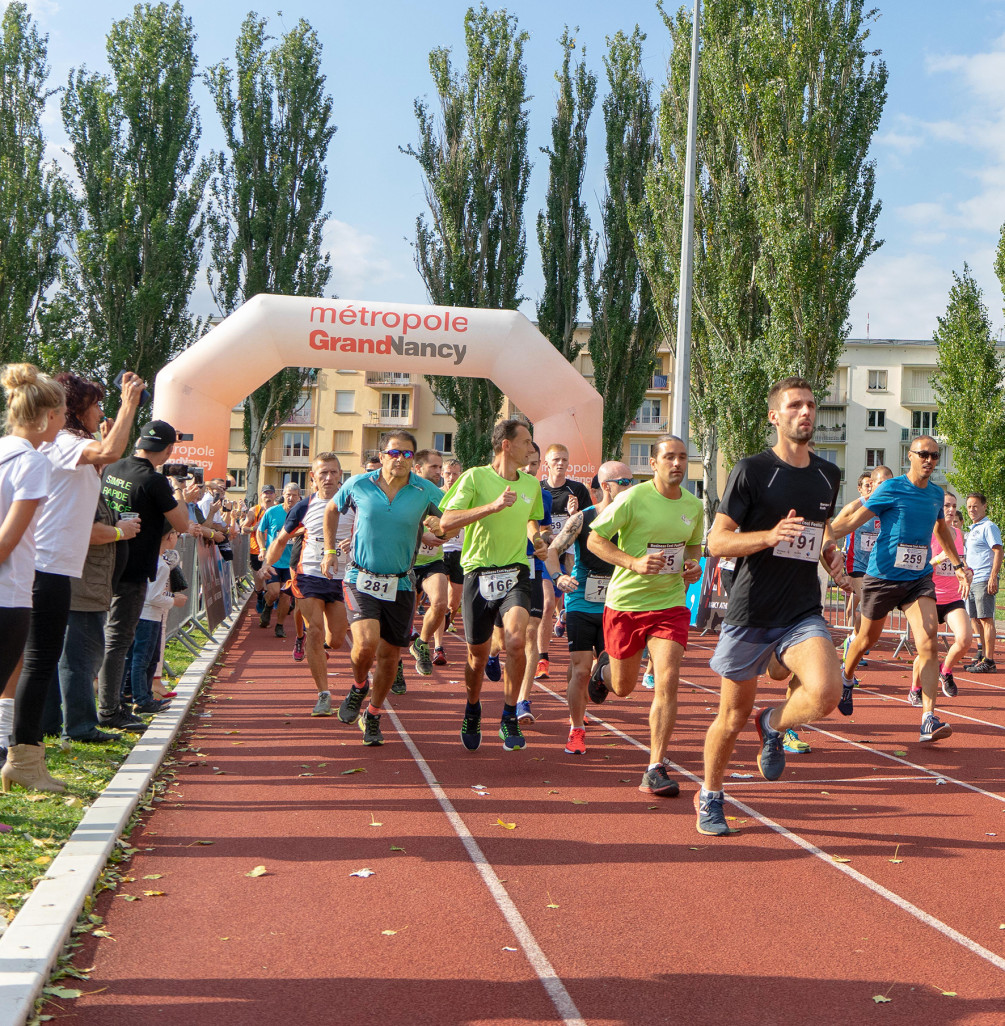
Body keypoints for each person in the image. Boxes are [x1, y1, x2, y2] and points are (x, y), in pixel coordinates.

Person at [697, 377, 849, 837]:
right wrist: (768, 536)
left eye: (810, 405)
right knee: (730, 718)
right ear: (775, 417)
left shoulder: (828, 474)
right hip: (750, 611)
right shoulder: (752, 470)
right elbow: (715, 540)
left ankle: (773, 722)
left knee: (826, 692)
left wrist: (831, 559)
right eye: (795, 406)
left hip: (801, 610)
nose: (805, 412)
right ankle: (711, 796)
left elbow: (815, 535)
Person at [27, 370, 146, 742]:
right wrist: (129, 405)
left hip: (60, 564)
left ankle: (45, 728)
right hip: (49, 563)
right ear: (76, 409)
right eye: (96, 404)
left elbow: (100, 461)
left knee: (49, 655)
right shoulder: (62, 441)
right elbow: (108, 454)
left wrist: (113, 428)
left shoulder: (69, 443)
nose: (100, 411)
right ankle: (59, 729)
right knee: (64, 656)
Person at [832, 435, 969, 743]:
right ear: (910, 456)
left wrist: (958, 564)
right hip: (881, 577)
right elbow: (854, 520)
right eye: (923, 454)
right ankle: (846, 677)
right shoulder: (891, 489)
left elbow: (941, 530)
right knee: (866, 638)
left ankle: (928, 718)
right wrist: (821, 535)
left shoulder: (936, 495)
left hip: (917, 579)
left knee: (929, 641)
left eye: (935, 455)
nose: (930, 460)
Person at [586, 439, 703, 792]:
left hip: (670, 604)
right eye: (669, 457)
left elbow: (693, 547)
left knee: (667, 680)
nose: (677, 463)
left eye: (682, 457)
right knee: (623, 688)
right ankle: (605, 669)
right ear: (653, 463)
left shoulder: (693, 505)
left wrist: (693, 566)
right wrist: (634, 562)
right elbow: (595, 540)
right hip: (626, 604)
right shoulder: (632, 498)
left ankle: (655, 766)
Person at [323, 432, 443, 746]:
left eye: (407, 454)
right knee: (365, 645)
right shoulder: (359, 484)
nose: (400, 459)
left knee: (390, 657)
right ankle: (359, 685)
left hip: (402, 582)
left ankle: (373, 714)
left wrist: (447, 528)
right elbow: (332, 510)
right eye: (394, 452)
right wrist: (329, 551)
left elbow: (451, 514)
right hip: (361, 578)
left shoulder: (424, 490)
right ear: (383, 454)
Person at [439, 419, 546, 752]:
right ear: (507, 446)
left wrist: (537, 538)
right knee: (476, 656)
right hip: (477, 572)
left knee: (516, 640)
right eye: (527, 442)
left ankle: (510, 715)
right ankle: (473, 707)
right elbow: (446, 523)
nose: (532, 449)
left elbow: (532, 518)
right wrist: (493, 506)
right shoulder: (474, 477)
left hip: (515, 571)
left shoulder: (531, 484)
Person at [96, 420, 198, 731]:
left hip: (103, 561)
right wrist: (181, 493)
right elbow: (182, 524)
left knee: (100, 636)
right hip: (133, 568)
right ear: (168, 450)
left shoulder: (113, 466)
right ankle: (111, 709)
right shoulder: (155, 482)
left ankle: (111, 703)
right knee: (119, 640)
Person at [0, 365, 65, 793]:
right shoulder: (33, 462)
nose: (64, 423)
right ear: (43, 416)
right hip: (8, 596)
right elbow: (8, 541)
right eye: (61, 414)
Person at [544, 460, 633, 754]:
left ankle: (598, 678)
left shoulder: (633, 520)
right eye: (624, 483)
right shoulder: (583, 519)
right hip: (581, 601)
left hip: (616, 605)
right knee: (580, 670)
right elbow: (553, 550)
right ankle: (577, 729)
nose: (630, 488)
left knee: (616, 678)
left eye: (632, 482)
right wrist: (559, 577)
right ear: (606, 487)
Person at [266, 454, 349, 715]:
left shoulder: (355, 504)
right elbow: (281, 540)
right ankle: (324, 693)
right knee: (314, 631)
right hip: (309, 574)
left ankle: (319, 651)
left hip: (343, 576)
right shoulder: (303, 506)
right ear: (312, 477)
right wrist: (266, 566)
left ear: (340, 475)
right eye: (322, 473)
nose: (328, 477)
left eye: (333, 472)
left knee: (335, 640)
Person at [909, 491, 972, 704]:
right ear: (937, 508)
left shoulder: (958, 534)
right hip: (929, 596)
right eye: (946, 506)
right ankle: (915, 688)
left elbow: (961, 562)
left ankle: (945, 671)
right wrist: (938, 559)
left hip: (953, 596)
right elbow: (918, 566)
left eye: (954, 506)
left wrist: (967, 571)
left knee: (964, 639)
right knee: (927, 649)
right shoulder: (927, 533)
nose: (951, 510)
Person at [536, 443, 591, 679]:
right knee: (547, 604)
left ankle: (565, 617)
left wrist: (573, 516)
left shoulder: (577, 489)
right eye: (556, 460)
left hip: (570, 557)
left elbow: (590, 523)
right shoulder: (537, 489)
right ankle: (542, 659)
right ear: (546, 464)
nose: (560, 464)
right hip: (545, 555)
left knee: (570, 605)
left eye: (564, 460)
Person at [122, 523, 186, 713]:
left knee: (141, 657)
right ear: (168, 537)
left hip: (145, 615)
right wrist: (174, 599)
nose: (176, 537)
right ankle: (141, 699)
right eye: (174, 533)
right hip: (148, 617)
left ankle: (131, 693)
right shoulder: (160, 565)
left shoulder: (151, 560)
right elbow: (154, 596)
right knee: (143, 658)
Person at [513, 443, 554, 724]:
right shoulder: (497, 491)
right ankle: (492, 655)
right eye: (526, 464)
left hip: (532, 568)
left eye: (535, 464)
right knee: (501, 641)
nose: (530, 469)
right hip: (499, 570)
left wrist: (545, 537)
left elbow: (546, 526)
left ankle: (522, 700)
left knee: (529, 634)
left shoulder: (543, 496)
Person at [408, 449, 450, 676]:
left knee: (441, 603)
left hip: (432, 561)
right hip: (405, 562)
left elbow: (450, 525)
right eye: (433, 467)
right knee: (401, 620)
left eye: (440, 467)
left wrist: (446, 534)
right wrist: (421, 534)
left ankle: (421, 644)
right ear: (417, 469)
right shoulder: (405, 493)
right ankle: (394, 666)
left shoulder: (440, 495)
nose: (439, 471)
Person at [256, 481, 301, 638]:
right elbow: (260, 531)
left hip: (292, 562)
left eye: (294, 496)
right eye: (288, 495)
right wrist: (262, 549)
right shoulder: (272, 512)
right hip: (273, 560)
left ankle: (280, 626)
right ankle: (268, 606)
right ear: (283, 495)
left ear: (298, 497)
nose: (290, 498)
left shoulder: (302, 513)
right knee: (274, 592)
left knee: (286, 595)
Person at [963, 492, 1001, 673]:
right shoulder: (972, 529)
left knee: (986, 619)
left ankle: (990, 660)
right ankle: (983, 657)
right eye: (969, 506)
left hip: (983, 578)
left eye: (975, 506)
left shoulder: (989, 527)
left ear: (984, 506)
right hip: (972, 580)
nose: (972, 510)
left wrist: (993, 576)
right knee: (976, 619)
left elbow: (998, 551)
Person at [440, 459, 465, 645]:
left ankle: (448, 617)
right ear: (442, 474)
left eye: (455, 473)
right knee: (439, 597)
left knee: (453, 602)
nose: (451, 477)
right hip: (439, 551)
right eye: (448, 473)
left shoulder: (465, 497)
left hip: (459, 551)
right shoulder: (436, 495)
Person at [243, 484, 276, 616]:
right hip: (256, 550)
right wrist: (254, 528)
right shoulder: (254, 510)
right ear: (261, 495)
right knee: (258, 579)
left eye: (270, 493)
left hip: (273, 550)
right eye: (265, 493)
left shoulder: (278, 510)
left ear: (274, 495)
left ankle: (270, 601)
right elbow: (243, 529)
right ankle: (260, 596)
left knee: (271, 579)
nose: (268, 496)